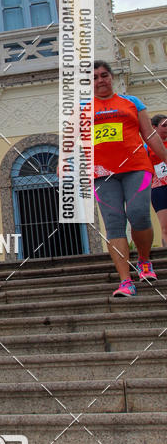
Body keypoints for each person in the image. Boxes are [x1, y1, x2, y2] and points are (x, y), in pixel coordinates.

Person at [93, 61, 167, 296]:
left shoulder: (132, 102)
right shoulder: (82, 108)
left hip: (137, 168)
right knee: (114, 223)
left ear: (111, 77)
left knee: (138, 214)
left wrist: (165, 158)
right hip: (102, 173)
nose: (100, 80)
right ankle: (125, 281)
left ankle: (144, 260)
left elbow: (150, 134)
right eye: (94, 77)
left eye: (104, 75)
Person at [148, 114, 167, 247]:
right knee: (165, 227)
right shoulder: (146, 146)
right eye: (164, 125)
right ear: (154, 127)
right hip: (158, 188)